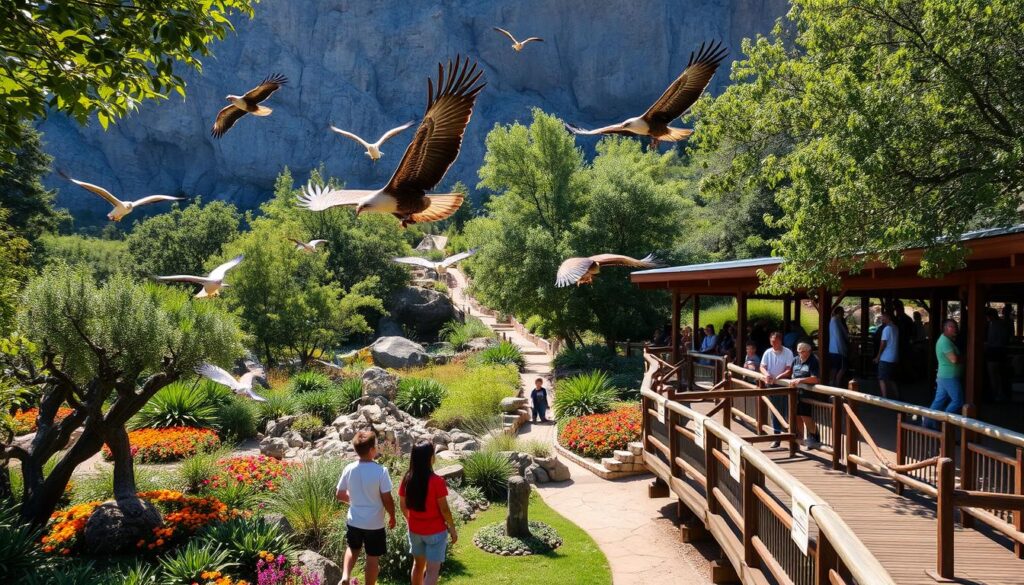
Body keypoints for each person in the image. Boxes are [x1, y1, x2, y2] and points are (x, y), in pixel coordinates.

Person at [337, 430, 397, 585]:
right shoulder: (380, 471)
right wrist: (392, 515)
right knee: (372, 557)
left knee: (352, 548)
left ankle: (345, 576)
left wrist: (354, 499)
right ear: (372, 450)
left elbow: (340, 494)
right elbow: (387, 499)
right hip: (374, 523)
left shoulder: (349, 468)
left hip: (354, 520)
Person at [399, 441, 458, 585]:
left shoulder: (406, 479)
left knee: (418, 566)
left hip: (415, 530)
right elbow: (444, 509)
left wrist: (411, 521)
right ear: (431, 458)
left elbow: (402, 506)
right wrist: (452, 527)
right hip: (435, 532)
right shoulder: (437, 481)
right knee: (432, 571)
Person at [925, 320, 964, 429]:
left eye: (956, 326)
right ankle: (944, 421)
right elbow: (954, 359)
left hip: (944, 376)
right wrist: (966, 358)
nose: (956, 329)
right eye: (953, 327)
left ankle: (927, 423)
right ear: (946, 328)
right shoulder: (945, 342)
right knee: (958, 401)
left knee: (939, 401)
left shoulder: (946, 340)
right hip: (949, 377)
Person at [760, 331, 794, 448]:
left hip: (783, 386)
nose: (773, 343)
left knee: (785, 411)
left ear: (780, 341)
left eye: (776, 341)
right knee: (775, 411)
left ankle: (791, 437)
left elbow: (789, 369)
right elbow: (762, 366)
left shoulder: (788, 352)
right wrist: (767, 374)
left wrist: (778, 378)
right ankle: (777, 437)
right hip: (771, 385)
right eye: (772, 341)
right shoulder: (768, 352)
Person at [786, 342, 821, 449]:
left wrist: (801, 380)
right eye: (799, 351)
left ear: (809, 351)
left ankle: (814, 436)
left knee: (805, 415)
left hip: (807, 394)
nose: (801, 353)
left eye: (803, 351)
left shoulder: (813, 360)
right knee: (796, 415)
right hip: (795, 393)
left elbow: (816, 378)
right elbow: (791, 373)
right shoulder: (795, 360)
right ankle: (800, 438)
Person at [873, 312, 899, 399]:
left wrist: (878, 356)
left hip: (886, 357)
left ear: (888, 317)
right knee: (892, 379)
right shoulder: (895, 328)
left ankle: (884, 398)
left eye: (883, 317)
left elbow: (883, 343)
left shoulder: (886, 329)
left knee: (881, 378)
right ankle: (897, 396)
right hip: (894, 357)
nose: (882, 319)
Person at [828, 306, 849, 386]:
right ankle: (837, 384)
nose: (843, 314)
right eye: (842, 312)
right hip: (839, 349)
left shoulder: (832, 320)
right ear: (840, 312)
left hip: (832, 349)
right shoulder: (837, 320)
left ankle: (831, 383)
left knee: (834, 367)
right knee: (843, 368)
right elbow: (844, 334)